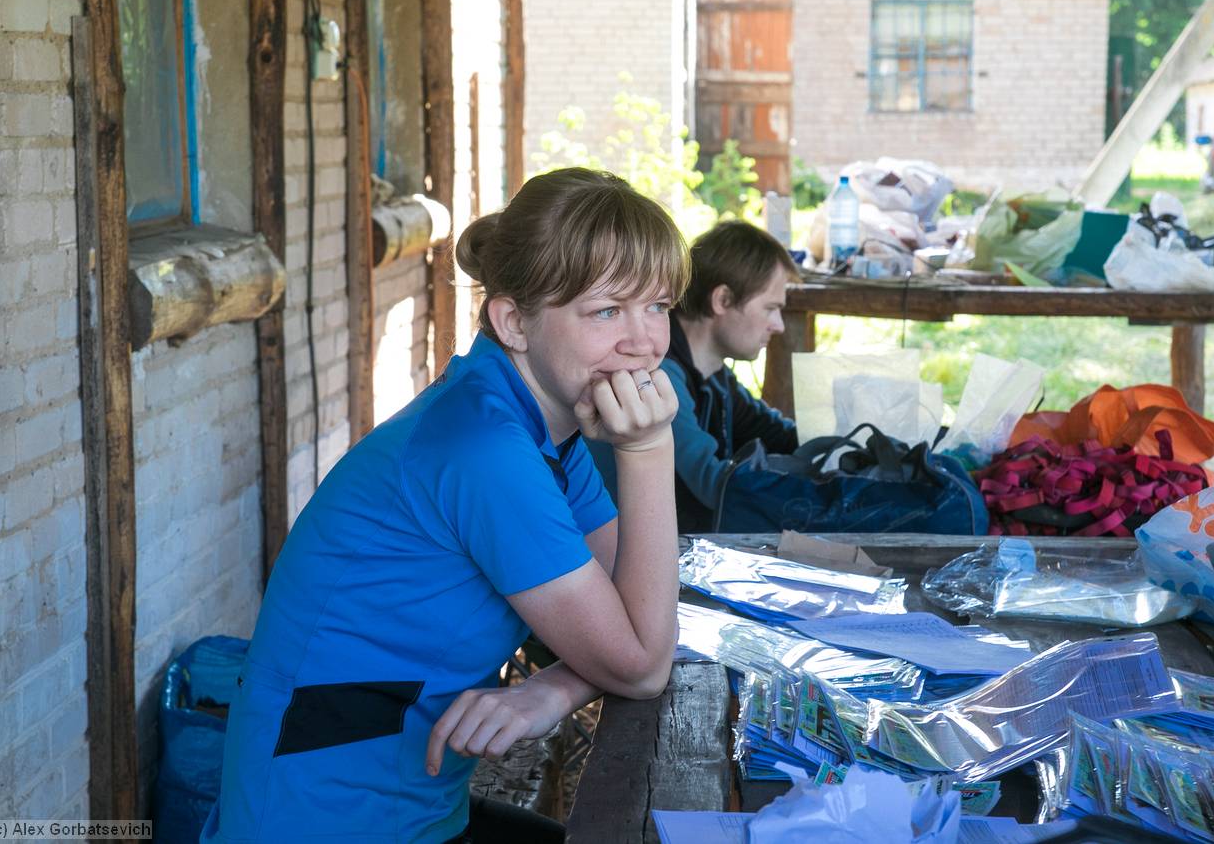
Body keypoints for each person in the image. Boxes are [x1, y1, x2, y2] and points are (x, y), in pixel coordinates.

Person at [201, 168, 689, 844]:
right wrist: (648, 449)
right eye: (607, 311)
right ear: (514, 322)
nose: (646, 342)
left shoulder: (539, 423)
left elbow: (641, 616)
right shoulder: (483, 448)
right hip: (323, 817)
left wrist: (549, 690)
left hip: (410, 805)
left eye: (658, 305)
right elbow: (642, 662)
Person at [589, 220, 799, 532]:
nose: (778, 325)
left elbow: (777, 434)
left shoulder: (714, 376)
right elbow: (715, 490)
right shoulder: (657, 377)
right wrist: (846, 501)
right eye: (770, 308)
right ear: (722, 300)